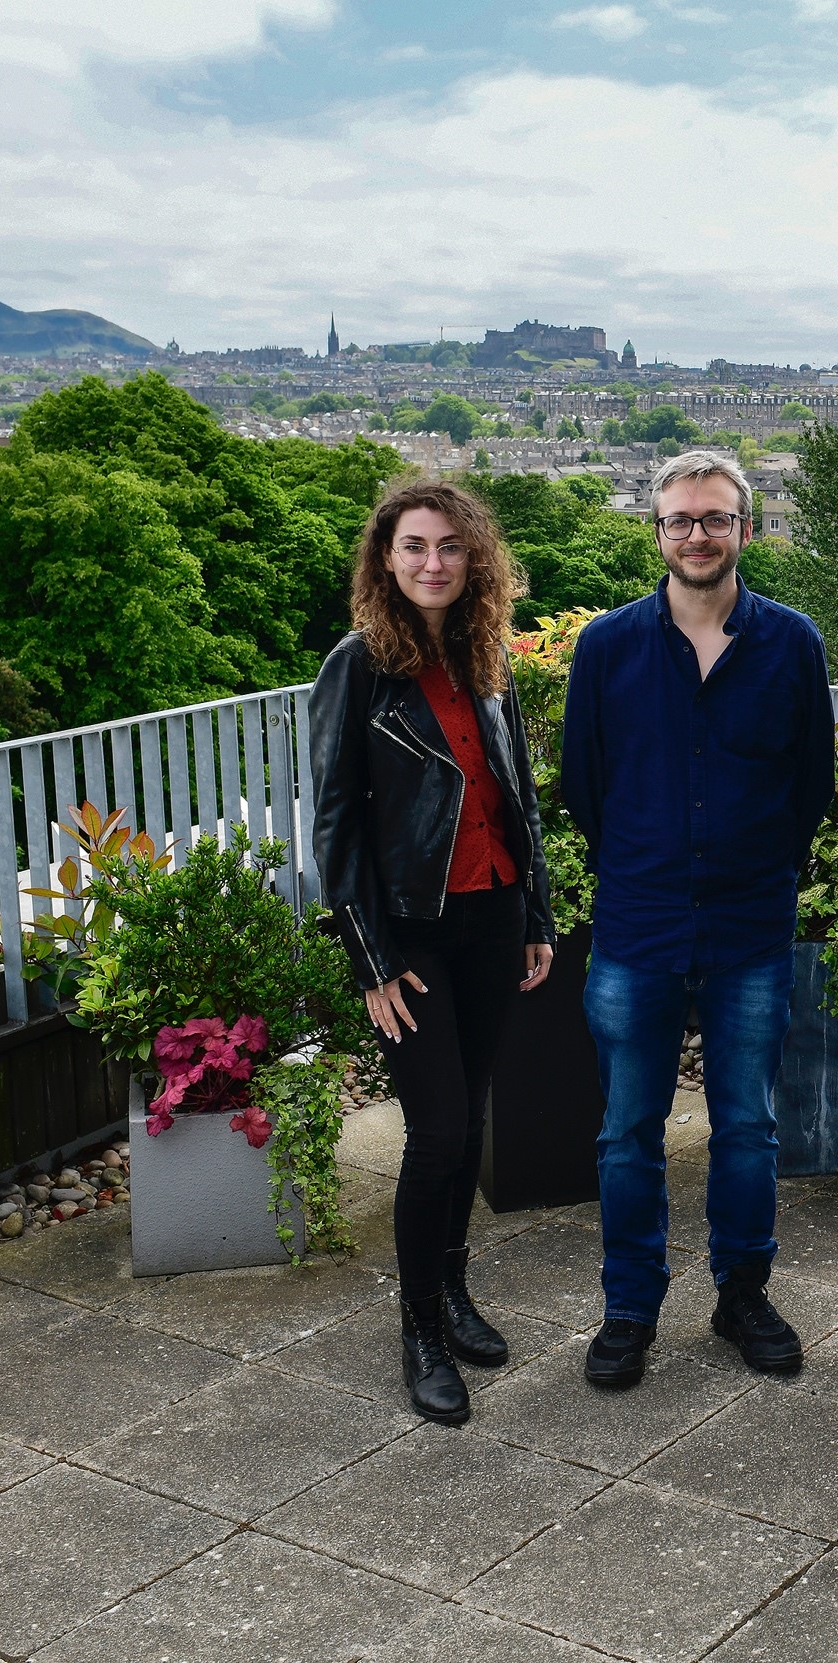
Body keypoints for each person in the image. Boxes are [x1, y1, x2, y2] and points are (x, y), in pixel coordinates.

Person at [561, 447, 834, 1390]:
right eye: (680, 520)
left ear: (744, 530)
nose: (697, 534)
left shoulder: (792, 643)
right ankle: (629, 1306)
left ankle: (741, 1294)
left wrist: (757, 865)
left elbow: (810, 786)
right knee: (626, 1127)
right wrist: (642, 862)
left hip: (749, 923)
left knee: (748, 1127)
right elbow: (584, 786)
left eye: (715, 518)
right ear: (659, 533)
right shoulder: (607, 647)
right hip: (637, 922)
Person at [311, 479, 557, 1427]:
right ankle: (417, 1327)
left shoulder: (482, 649)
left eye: (450, 546)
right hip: (412, 931)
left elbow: (514, 796)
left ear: (474, 559)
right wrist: (370, 960)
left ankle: (454, 1293)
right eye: (413, 546)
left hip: (492, 917)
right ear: (385, 558)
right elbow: (335, 825)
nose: (432, 562)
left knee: (473, 1114)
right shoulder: (359, 665)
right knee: (440, 1129)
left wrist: (534, 912)